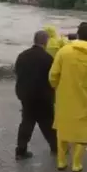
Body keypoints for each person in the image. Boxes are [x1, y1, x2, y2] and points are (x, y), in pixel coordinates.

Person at [49, 23, 87, 172]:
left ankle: (61, 162)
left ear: (78, 35)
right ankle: (76, 164)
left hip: (65, 97)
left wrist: (56, 87)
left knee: (63, 128)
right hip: (86, 98)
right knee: (83, 130)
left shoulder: (63, 51)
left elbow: (53, 75)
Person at [14, 30, 57, 160]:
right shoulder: (48, 58)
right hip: (43, 97)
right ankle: (56, 147)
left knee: (27, 122)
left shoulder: (22, 55)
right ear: (45, 41)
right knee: (48, 123)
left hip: (25, 95)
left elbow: (17, 72)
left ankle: (21, 151)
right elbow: (53, 77)